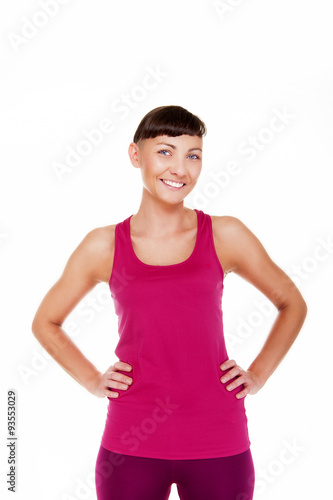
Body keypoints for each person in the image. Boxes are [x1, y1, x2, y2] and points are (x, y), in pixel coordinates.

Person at [31, 105, 308, 500]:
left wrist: (259, 375)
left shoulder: (225, 234)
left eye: (193, 155)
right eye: (165, 151)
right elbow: (46, 322)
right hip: (130, 443)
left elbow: (291, 302)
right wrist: (94, 380)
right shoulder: (104, 245)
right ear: (135, 155)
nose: (180, 168)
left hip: (219, 439)